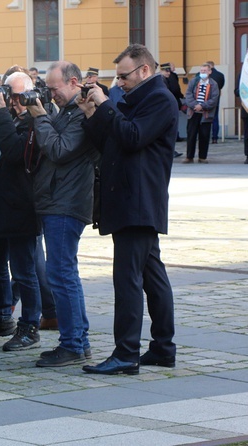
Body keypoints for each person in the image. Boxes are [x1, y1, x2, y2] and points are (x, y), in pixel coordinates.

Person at [78, 43, 177, 376]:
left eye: (123, 76)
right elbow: (108, 142)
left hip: (138, 201)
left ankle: (126, 354)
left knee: (128, 280)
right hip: (131, 200)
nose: (118, 83)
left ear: (144, 70)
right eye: (117, 77)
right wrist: (93, 114)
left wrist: (106, 106)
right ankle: (163, 348)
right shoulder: (134, 99)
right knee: (152, 276)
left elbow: (133, 137)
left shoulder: (160, 99)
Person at [27, 61, 98, 368]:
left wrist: (41, 117)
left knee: (61, 273)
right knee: (65, 272)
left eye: (54, 88)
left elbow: (58, 150)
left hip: (66, 203)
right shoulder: (69, 111)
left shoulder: (81, 114)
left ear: (73, 82)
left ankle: (72, 344)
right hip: (59, 199)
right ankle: (78, 343)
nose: (51, 94)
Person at [0, 71, 49, 351]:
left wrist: (3, 116)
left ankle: (30, 325)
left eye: (18, 97)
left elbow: (17, 153)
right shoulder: (10, 117)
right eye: (10, 96)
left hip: (22, 208)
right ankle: (2, 316)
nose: (15, 102)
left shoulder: (37, 120)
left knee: (24, 270)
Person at [183, 63, 219, 164]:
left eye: (205, 71)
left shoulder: (213, 84)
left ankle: (202, 157)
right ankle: (189, 157)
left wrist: (202, 106)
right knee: (191, 135)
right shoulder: (193, 81)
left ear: (209, 72)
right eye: (201, 71)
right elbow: (188, 95)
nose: (202, 72)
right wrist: (195, 105)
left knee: (204, 135)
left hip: (206, 114)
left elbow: (214, 99)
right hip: (193, 112)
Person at [206, 60, 225, 144]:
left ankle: (205, 137)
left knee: (205, 118)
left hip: (205, 99)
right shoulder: (220, 75)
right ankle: (214, 138)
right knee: (215, 118)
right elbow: (221, 85)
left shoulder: (205, 75)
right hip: (216, 98)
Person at [234, 71, 248, 164]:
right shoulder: (243, 74)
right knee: (247, 135)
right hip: (246, 110)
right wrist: (242, 91)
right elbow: (236, 91)